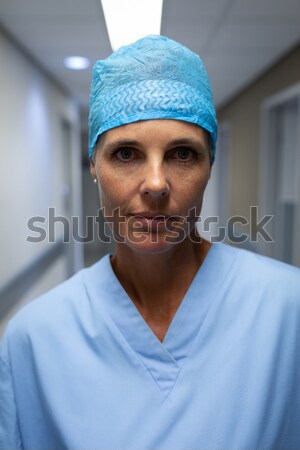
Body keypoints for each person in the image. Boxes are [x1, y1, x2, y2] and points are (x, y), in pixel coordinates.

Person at [0, 35, 300, 450]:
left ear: (210, 165)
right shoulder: (33, 341)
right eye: (126, 154)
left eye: (182, 154)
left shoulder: (288, 311)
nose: (156, 184)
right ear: (93, 166)